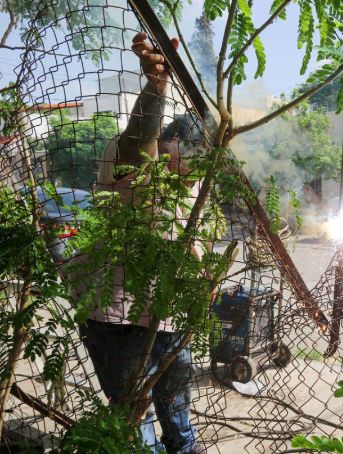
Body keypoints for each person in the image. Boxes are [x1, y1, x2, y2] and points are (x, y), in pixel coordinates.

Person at [73, 32, 205, 453]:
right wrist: (156, 88)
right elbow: (138, 140)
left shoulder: (194, 183)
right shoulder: (130, 155)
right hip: (117, 317)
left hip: (169, 315)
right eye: (185, 152)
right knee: (136, 424)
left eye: (199, 159)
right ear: (167, 142)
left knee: (179, 417)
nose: (191, 166)